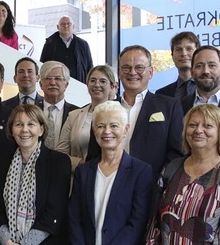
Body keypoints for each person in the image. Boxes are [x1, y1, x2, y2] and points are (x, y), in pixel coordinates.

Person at [146, 104, 220, 244]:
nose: (198, 130)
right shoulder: (171, 169)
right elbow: (154, 225)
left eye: (207, 126)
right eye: (193, 125)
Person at [86, 45, 183, 178]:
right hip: (108, 185)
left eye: (139, 67)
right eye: (126, 67)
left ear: (150, 72)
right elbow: (93, 154)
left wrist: (162, 180)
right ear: (119, 73)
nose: (132, 72)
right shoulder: (105, 109)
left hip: (152, 189)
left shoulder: (169, 107)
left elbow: (176, 154)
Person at [68, 101, 153, 244]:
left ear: (126, 130)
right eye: (101, 126)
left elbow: (137, 222)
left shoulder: (141, 172)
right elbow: (74, 218)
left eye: (114, 125)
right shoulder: (83, 172)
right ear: (94, 131)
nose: (107, 131)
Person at [0, 104, 71, 245]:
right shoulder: (2, 161)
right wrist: (7, 241)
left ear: (41, 129)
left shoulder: (58, 162)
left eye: (31, 124)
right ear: (11, 130)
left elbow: (54, 211)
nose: (24, 130)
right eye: (18, 124)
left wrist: (25, 244)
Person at [56, 65, 119, 172]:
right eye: (92, 80)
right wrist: (81, 164)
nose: (97, 85)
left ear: (112, 86)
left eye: (103, 81)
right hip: (80, 177)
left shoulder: (120, 114)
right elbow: (60, 154)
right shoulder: (74, 116)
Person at [38, 61, 79, 149]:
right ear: (41, 84)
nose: (52, 83)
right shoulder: (32, 111)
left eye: (58, 78)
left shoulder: (77, 113)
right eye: (48, 78)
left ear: (66, 85)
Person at [40, 16, 93, 82]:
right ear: (58, 27)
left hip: (79, 85)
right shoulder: (49, 44)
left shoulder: (83, 44)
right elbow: (43, 65)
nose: (66, 26)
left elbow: (90, 67)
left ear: (73, 26)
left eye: (69, 24)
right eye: (63, 24)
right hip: (56, 84)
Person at [156, 31, 200, 99]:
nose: (184, 54)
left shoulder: (212, 87)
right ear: (172, 55)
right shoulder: (161, 94)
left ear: (198, 54)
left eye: (189, 49)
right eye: (178, 50)